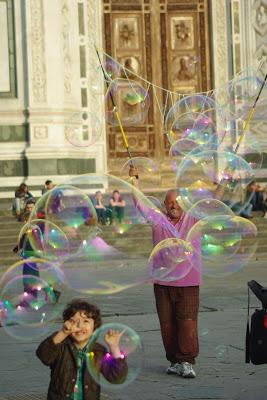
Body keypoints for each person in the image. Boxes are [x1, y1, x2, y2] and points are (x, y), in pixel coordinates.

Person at [129, 165, 201, 378]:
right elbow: (140, 204)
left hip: (188, 281)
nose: (173, 205)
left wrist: (225, 181)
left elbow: (214, 202)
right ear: (164, 205)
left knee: (187, 322)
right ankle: (174, 360)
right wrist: (134, 181)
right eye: (169, 202)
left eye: (177, 202)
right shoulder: (158, 220)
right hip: (162, 281)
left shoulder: (193, 219)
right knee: (167, 324)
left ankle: (187, 361)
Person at [36, 299, 128, 400]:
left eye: (86, 321)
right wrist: (63, 333)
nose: (80, 326)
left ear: (95, 328)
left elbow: (117, 377)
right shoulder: (61, 346)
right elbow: (44, 355)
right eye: (74, 321)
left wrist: (114, 347)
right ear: (67, 323)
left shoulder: (99, 351)